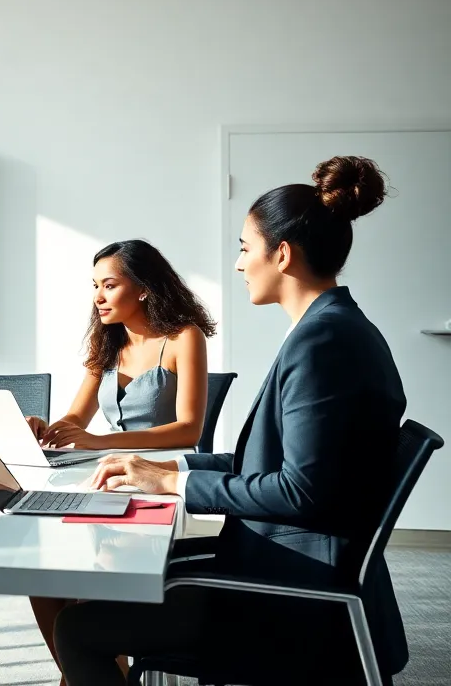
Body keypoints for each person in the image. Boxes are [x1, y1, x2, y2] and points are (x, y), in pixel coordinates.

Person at [54, 156, 407, 685]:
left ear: (282, 255)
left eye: (245, 248)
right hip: (286, 566)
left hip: (288, 596)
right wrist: (163, 470)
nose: (240, 265)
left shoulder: (323, 342)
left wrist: (177, 481)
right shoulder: (334, 328)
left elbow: (302, 492)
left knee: (77, 630)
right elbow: (274, 464)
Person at [25, 239, 216, 678]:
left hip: (159, 484)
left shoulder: (183, 337)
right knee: (41, 580)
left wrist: (97, 443)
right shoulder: (107, 341)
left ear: (144, 288)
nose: (98, 297)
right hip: (108, 477)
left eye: (109, 285)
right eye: (95, 286)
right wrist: (49, 427)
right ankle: (91, 676)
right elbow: (78, 415)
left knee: (86, 591)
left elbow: (190, 429)